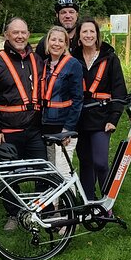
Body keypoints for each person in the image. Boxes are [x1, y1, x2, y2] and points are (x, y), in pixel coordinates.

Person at [0, 17, 45, 230]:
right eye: (15, 32)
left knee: (42, 171)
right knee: (10, 176)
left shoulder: (36, 60)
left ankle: (39, 210)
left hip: (34, 129)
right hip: (7, 130)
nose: (20, 36)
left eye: (23, 32)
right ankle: (14, 214)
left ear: (28, 35)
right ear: (7, 35)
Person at [72, 17, 127, 201]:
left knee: (101, 162)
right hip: (79, 118)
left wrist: (114, 118)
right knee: (85, 162)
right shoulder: (72, 58)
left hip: (102, 117)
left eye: (92, 32)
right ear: (79, 36)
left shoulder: (109, 58)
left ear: (97, 35)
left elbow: (119, 89)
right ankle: (90, 201)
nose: (88, 35)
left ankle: (107, 201)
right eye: (84, 32)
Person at [40, 26, 83, 178]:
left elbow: (78, 99)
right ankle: (55, 203)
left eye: (61, 40)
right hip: (47, 126)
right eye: (53, 39)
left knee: (63, 172)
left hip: (64, 127)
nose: (56, 44)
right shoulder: (43, 65)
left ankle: (69, 202)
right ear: (47, 42)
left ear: (66, 44)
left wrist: (68, 128)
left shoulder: (73, 65)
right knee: (52, 170)